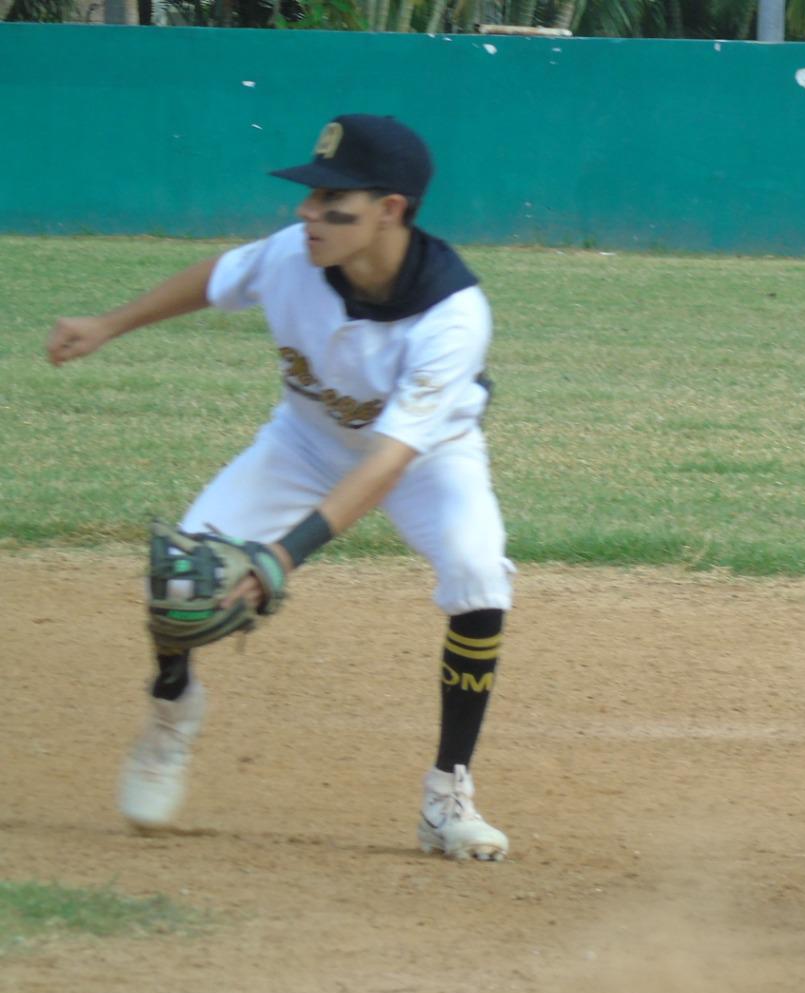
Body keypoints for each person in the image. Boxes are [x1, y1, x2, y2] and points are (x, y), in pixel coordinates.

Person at [45, 114, 513, 861]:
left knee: (478, 576)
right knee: (181, 576)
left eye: (333, 201)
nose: (308, 211)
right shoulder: (294, 254)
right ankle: (171, 713)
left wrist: (282, 556)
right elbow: (217, 279)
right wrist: (109, 324)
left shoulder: (453, 316)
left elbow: (387, 462)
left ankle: (446, 796)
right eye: (311, 194)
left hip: (428, 459)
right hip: (302, 444)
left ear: (390, 209)